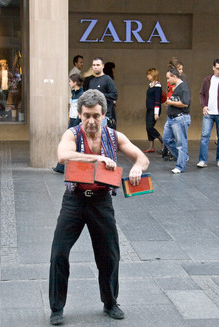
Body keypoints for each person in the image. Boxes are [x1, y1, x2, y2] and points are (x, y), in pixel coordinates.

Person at [49, 89, 149, 325]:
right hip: (74, 200)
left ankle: (110, 302)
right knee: (59, 253)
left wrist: (137, 168)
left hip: (102, 202)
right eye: (86, 116)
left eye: (96, 116)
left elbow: (141, 157)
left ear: (104, 114)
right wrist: (97, 158)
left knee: (110, 255)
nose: (91, 121)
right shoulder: (72, 134)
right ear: (79, 115)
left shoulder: (115, 136)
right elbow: (62, 156)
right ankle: (56, 308)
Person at [197, 59, 219, 168]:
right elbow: (201, 94)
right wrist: (204, 106)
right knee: (204, 136)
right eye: (217, 68)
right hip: (209, 112)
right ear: (213, 68)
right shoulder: (207, 80)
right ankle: (203, 160)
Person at [52, 73, 84, 174]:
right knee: (69, 143)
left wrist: (78, 122)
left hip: (76, 121)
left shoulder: (82, 94)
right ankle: (61, 166)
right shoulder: (74, 93)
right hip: (72, 120)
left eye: (70, 81)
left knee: (72, 144)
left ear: (75, 82)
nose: (69, 83)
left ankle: (63, 166)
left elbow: (81, 110)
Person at [162, 68, 191, 174]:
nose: (167, 80)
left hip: (180, 118)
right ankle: (183, 157)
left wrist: (170, 103)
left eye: (168, 78)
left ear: (174, 76)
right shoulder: (177, 87)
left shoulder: (184, 87)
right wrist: (170, 102)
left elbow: (185, 103)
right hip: (171, 118)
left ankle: (180, 165)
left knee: (181, 143)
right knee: (166, 139)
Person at [88, 57, 118, 129]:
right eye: (94, 65)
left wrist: (99, 95)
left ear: (102, 66)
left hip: (104, 116)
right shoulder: (91, 81)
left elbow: (114, 95)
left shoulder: (107, 79)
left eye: (98, 65)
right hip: (93, 115)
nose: (95, 67)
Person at [143, 68, 163, 153]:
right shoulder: (151, 85)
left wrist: (156, 113)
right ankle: (151, 146)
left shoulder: (157, 86)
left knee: (150, 127)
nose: (148, 76)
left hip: (154, 110)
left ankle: (163, 142)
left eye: (149, 74)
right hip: (149, 109)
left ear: (153, 75)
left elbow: (157, 100)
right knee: (148, 128)